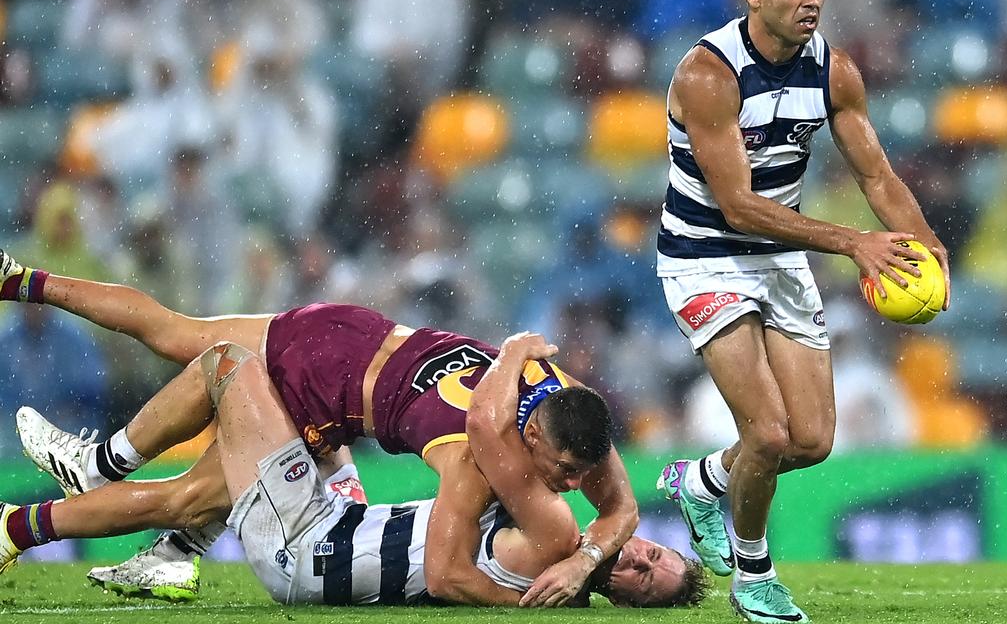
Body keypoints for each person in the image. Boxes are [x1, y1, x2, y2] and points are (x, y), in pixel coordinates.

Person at [0, 250, 639, 605]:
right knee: (189, 489)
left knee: (177, 332)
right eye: (563, 473)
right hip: (325, 385)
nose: (570, 485)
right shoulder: (480, 447)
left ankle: (21, 280)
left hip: (355, 332)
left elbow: (621, 504)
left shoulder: (558, 393)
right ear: (530, 440)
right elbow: (448, 570)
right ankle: (102, 474)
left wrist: (586, 557)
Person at [652, 0, 950, 624]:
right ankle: (753, 577)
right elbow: (737, 205)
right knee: (770, 434)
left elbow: (877, 176)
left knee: (812, 441)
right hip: (705, 257)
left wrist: (922, 241)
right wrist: (853, 244)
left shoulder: (833, 70)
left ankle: (698, 482)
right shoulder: (707, 75)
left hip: (780, 258)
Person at [0, 347, 708, 608]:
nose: (641, 553)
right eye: (656, 552)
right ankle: (142, 549)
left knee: (230, 364)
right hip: (345, 523)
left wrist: (519, 348)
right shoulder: (562, 543)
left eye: (646, 574)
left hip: (308, 551)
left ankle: (98, 467)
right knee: (304, 426)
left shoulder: (552, 531)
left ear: (628, 597)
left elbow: (490, 428)